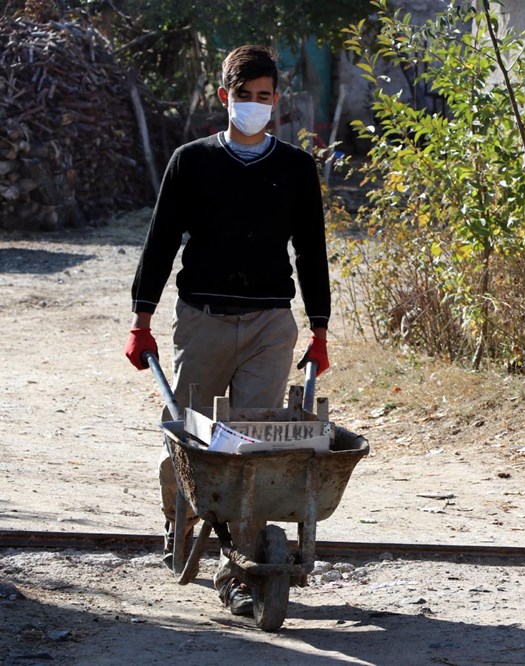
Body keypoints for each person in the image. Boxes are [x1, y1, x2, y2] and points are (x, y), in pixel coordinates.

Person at [123, 45, 331, 617]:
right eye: (245, 97)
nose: (254, 106)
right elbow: (160, 241)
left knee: (251, 453)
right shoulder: (192, 162)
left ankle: (237, 569)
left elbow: (311, 251)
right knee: (194, 443)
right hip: (204, 320)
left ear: (277, 103)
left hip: (269, 324)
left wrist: (320, 330)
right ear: (225, 98)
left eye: (265, 98)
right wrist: (141, 321)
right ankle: (179, 520)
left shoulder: (294, 169)